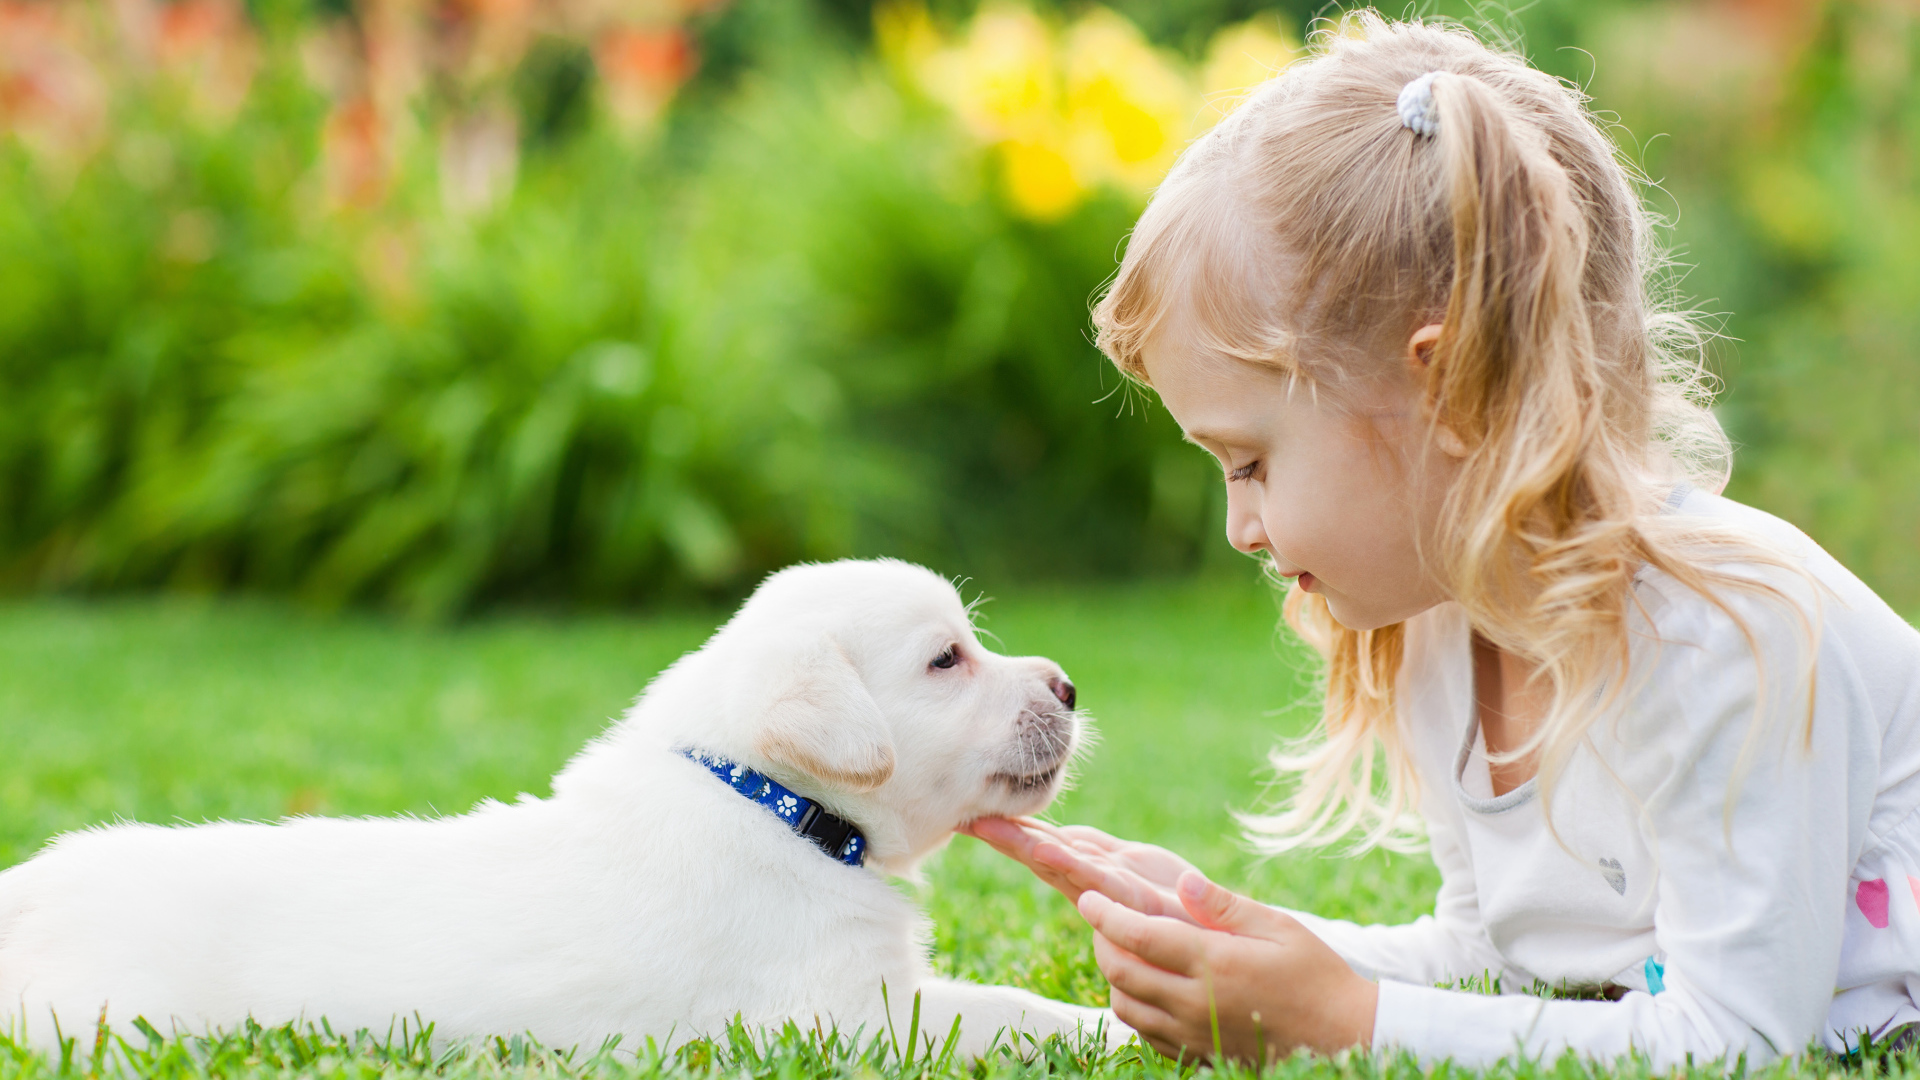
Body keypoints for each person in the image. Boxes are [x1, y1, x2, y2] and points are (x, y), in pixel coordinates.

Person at [964, 12, 1920, 1069]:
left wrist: (1342, 1023)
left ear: (1450, 389)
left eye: (1250, 462)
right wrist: (1223, 931)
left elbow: (1735, 1042)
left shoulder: (1725, 640)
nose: (1239, 527)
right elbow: (1491, 962)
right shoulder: (1442, 627)